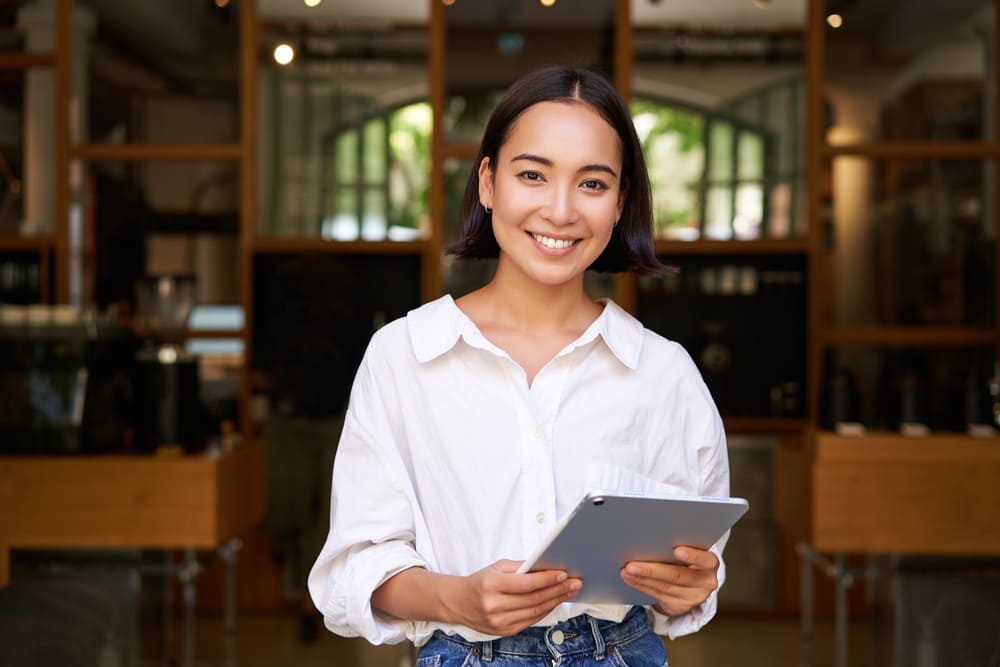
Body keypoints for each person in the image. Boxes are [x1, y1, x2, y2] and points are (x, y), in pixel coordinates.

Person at [309, 65, 731, 666]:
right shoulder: (405, 355)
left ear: (621, 203)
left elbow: (693, 570)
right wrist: (456, 600)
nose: (559, 211)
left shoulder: (663, 372)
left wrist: (693, 584)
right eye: (532, 175)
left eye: (592, 184)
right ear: (488, 182)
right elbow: (355, 567)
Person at [261, 254, 369, 643]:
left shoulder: (345, 301)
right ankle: (303, 592)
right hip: (293, 415)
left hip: (330, 418)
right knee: (289, 507)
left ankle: (310, 604)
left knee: (321, 513)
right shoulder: (284, 296)